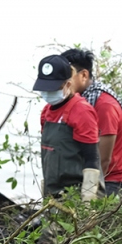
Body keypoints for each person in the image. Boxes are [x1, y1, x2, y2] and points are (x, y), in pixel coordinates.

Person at [61, 47, 122, 195]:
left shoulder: (104, 106)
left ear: (83, 75)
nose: (62, 82)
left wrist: (85, 193)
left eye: (66, 76)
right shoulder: (78, 100)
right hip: (91, 173)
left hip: (115, 181)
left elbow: (103, 161)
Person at [34, 53, 101, 201]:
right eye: (45, 88)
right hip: (54, 194)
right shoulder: (46, 112)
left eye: (53, 88)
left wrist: (88, 200)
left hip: (75, 195)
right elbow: (49, 158)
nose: (48, 93)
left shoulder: (82, 111)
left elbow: (92, 159)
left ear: (68, 84)